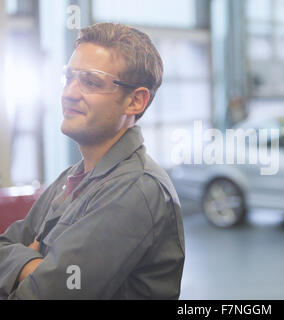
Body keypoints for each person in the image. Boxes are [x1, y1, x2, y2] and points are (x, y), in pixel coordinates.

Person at [0, 23, 185, 299]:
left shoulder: (136, 190)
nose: (69, 93)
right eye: (69, 78)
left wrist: (27, 267)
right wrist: (33, 266)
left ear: (135, 101)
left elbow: (50, 295)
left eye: (90, 82)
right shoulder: (72, 178)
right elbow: (4, 244)